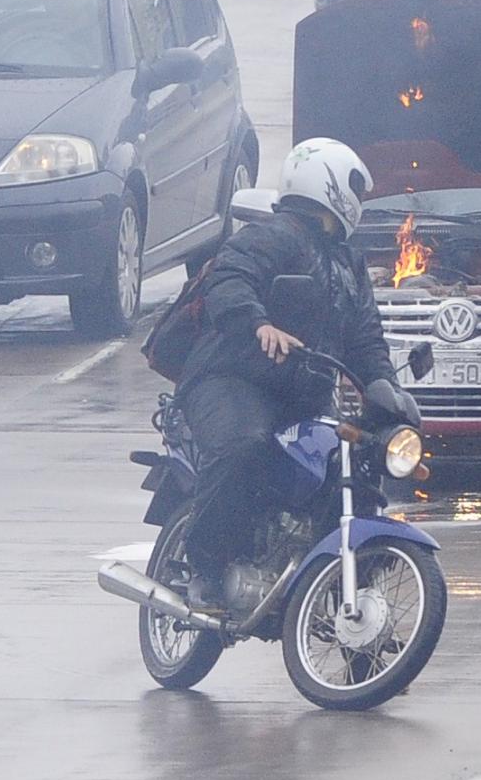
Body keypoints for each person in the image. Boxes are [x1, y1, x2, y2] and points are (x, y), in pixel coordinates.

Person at [169, 137, 409, 607]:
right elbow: (231, 277)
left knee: (354, 469)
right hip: (232, 378)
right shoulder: (273, 234)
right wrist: (258, 324)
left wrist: (388, 393)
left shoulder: (349, 264)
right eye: (355, 189)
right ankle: (208, 562)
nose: (358, 201)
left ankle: (340, 608)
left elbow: (365, 338)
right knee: (244, 446)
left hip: (303, 392)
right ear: (330, 184)